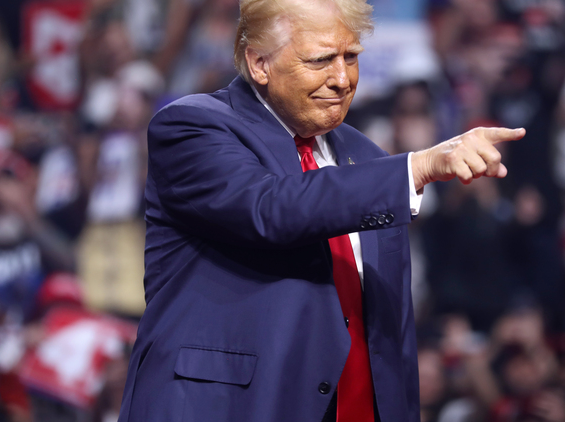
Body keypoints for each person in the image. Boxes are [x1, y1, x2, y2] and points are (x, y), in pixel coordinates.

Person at [117, 0, 525, 421]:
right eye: (321, 60)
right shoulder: (192, 128)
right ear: (260, 64)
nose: (342, 79)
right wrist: (416, 166)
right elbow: (269, 208)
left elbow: (390, 332)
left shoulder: (370, 160)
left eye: (351, 57)